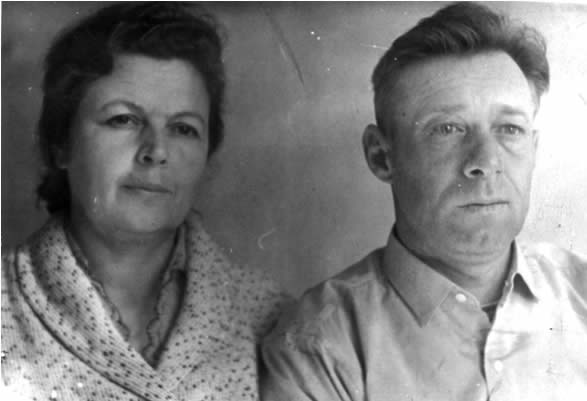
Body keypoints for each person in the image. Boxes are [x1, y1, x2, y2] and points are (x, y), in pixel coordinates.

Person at [261, 2, 587, 400]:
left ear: (534, 148)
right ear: (381, 157)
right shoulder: (318, 348)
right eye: (447, 129)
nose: (486, 162)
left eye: (509, 129)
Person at [1, 3, 287, 400]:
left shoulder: (272, 320)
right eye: (123, 120)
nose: (156, 151)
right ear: (61, 144)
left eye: (183, 129)